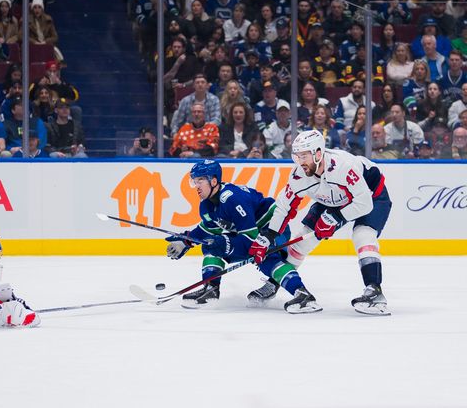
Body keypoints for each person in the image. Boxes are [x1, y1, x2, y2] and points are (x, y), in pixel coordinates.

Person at [249, 130, 392, 315]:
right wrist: (268, 235)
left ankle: (375, 292)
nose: (300, 161)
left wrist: (337, 217)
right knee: (302, 240)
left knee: (363, 234)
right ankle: (276, 282)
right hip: (331, 198)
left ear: (318, 153)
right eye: (297, 156)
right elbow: (284, 207)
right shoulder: (299, 176)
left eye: (304, 156)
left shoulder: (343, 166)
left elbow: (363, 203)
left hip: (372, 195)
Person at [165, 161, 320, 313]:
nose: (196, 185)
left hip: (272, 229)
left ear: (213, 181)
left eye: (200, 180)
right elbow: (208, 229)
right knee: (211, 245)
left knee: (263, 256)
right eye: (194, 181)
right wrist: (186, 241)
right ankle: (210, 290)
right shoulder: (206, 204)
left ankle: (303, 295)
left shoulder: (232, 198)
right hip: (251, 232)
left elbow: (251, 238)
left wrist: (225, 244)